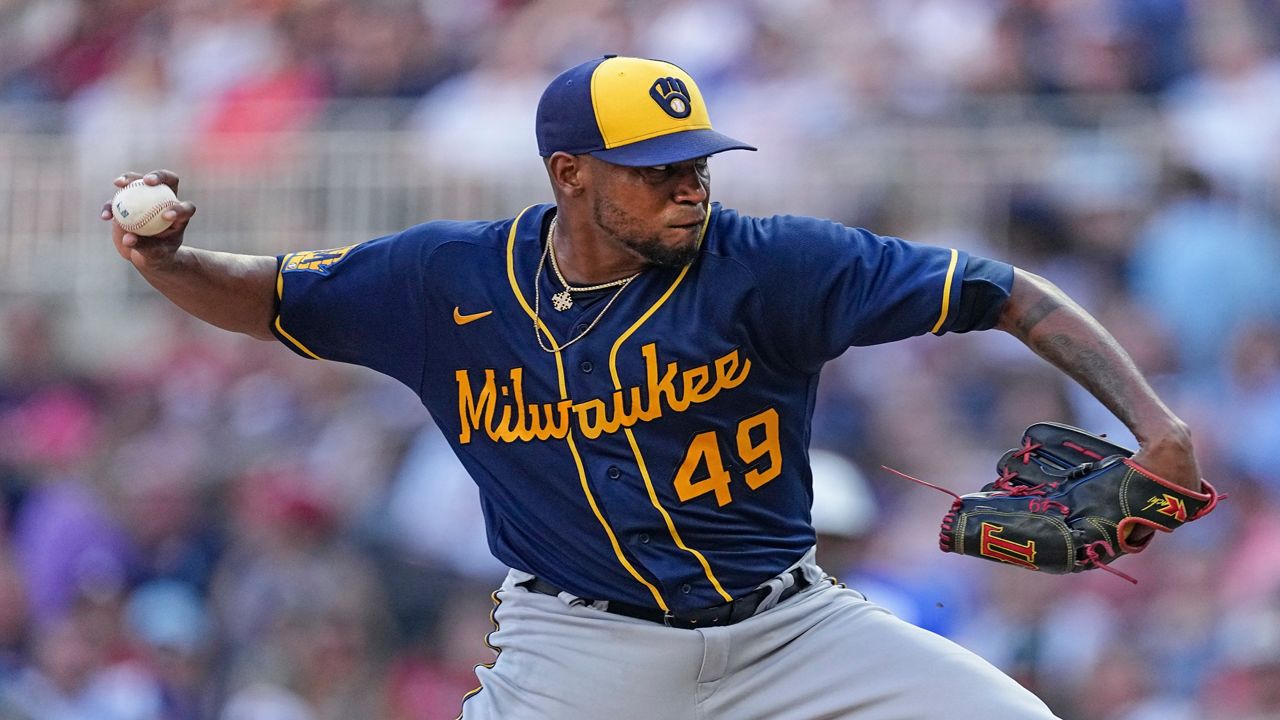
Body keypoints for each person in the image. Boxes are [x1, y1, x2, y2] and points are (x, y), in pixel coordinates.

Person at [102, 55, 1204, 720]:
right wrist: (168, 264)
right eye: (656, 167)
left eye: (697, 161)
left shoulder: (770, 262)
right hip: (581, 652)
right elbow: (273, 296)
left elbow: (1003, 291)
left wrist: (1153, 426)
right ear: (568, 173)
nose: (689, 185)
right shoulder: (445, 280)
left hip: (790, 632)